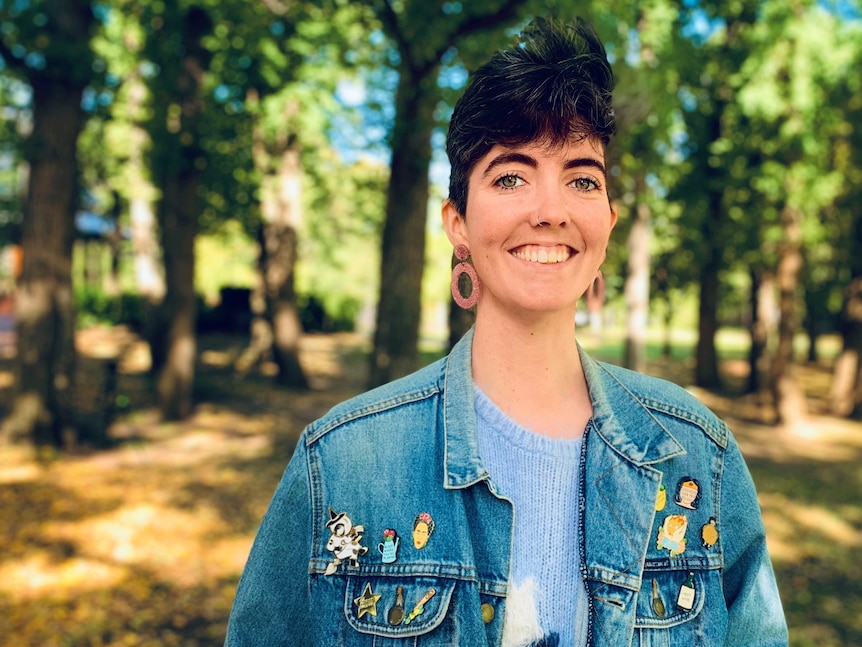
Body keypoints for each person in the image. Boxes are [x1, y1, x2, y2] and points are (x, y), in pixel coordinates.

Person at [225, 17, 788, 647]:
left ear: (607, 222)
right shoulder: (342, 464)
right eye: (511, 176)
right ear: (457, 222)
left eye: (582, 179)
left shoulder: (697, 457)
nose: (550, 210)